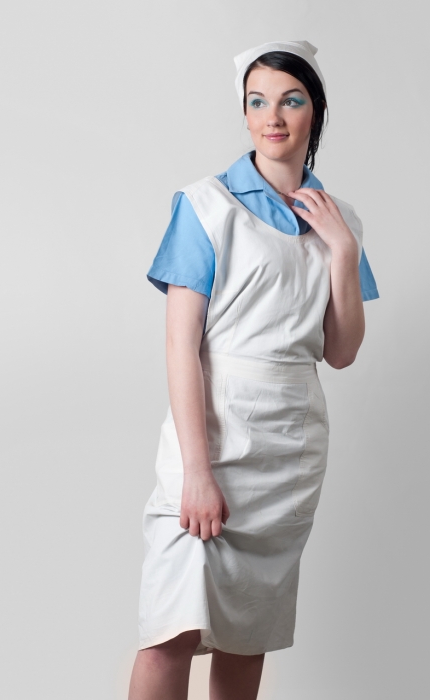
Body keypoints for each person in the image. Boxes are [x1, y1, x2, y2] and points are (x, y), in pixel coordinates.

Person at [128, 40, 379, 700]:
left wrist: (342, 252)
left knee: (245, 637)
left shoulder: (341, 220)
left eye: (290, 100)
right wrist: (196, 471)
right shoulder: (205, 204)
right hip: (212, 439)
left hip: (287, 449)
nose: (273, 116)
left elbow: (341, 350)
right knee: (169, 634)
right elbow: (180, 345)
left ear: (314, 111)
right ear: (243, 113)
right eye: (257, 101)